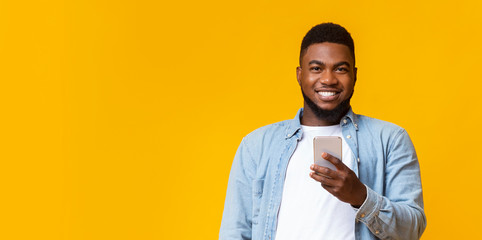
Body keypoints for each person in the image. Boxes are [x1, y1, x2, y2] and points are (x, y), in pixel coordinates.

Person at [219, 23, 426, 240]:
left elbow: (412, 230)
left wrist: (361, 196)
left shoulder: (391, 140)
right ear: (300, 75)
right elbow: (235, 232)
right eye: (317, 68)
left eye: (340, 69)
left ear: (354, 75)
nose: (328, 79)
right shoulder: (257, 145)